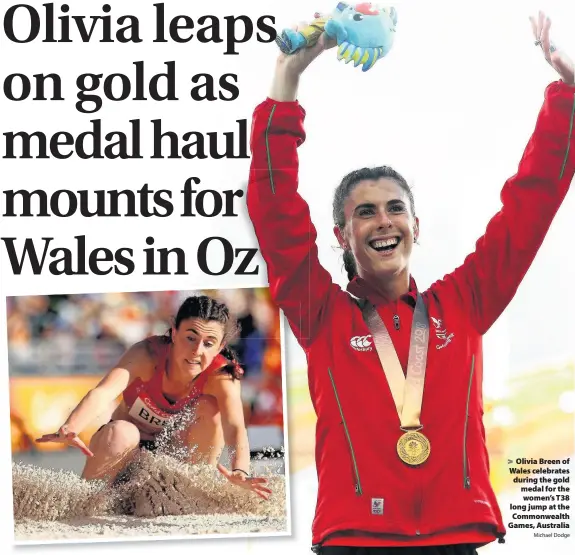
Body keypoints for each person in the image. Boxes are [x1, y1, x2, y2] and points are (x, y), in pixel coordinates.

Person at [247, 9, 574, 554]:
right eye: (366, 213)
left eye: (395, 208)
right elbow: (275, 212)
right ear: (341, 235)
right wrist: (286, 83)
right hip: (355, 539)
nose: (383, 221)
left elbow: (529, 206)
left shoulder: (465, 302)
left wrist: (567, 95)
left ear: (415, 227)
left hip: (458, 536)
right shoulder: (321, 313)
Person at [36, 295, 272, 500]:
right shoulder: (146, 355)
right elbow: (104, 392)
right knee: (121, 432)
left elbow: (235, 427)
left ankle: (195, 491)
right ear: (174, 331)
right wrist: (71, 427)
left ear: (220, 348)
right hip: (125, 453)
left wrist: (241, 471)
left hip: (172, 457)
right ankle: (87, 497)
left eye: (208, 344)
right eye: (190, 338)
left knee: (211, 409)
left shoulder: (222, 375)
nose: (197, 351)